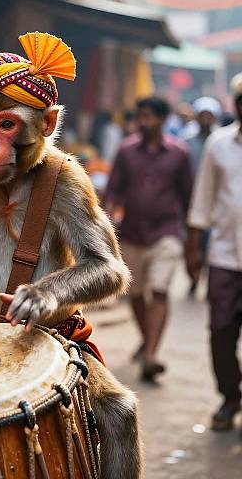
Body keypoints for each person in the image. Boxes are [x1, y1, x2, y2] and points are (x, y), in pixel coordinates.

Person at [104, 96, 194, 382]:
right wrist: (105, 228)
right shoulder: (126, 152)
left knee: (159, 290)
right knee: (136, 294)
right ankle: (147, 339)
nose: (144, 121)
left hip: (166, 233)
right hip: (131, 233)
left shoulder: (179, 154)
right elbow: (113, 192)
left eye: (150, 116)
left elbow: (188, 198)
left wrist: (192, 243)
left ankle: (152, 354)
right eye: (141, 116)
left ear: (163, 120)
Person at [186, 73, 242, 432]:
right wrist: (193, 248)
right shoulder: (219, 144)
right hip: (224, 256)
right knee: (221, 330)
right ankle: (229, 396)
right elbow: (203, 199)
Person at [185, 97, 221, 296]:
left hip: (216, 202)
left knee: (210, 244)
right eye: (202, 115)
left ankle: (208, 279)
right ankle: (193, 275)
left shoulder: (220, 140)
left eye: (210, 115)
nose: (206, 119)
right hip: (191, 200)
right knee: (192, 242)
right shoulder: (187, 140)